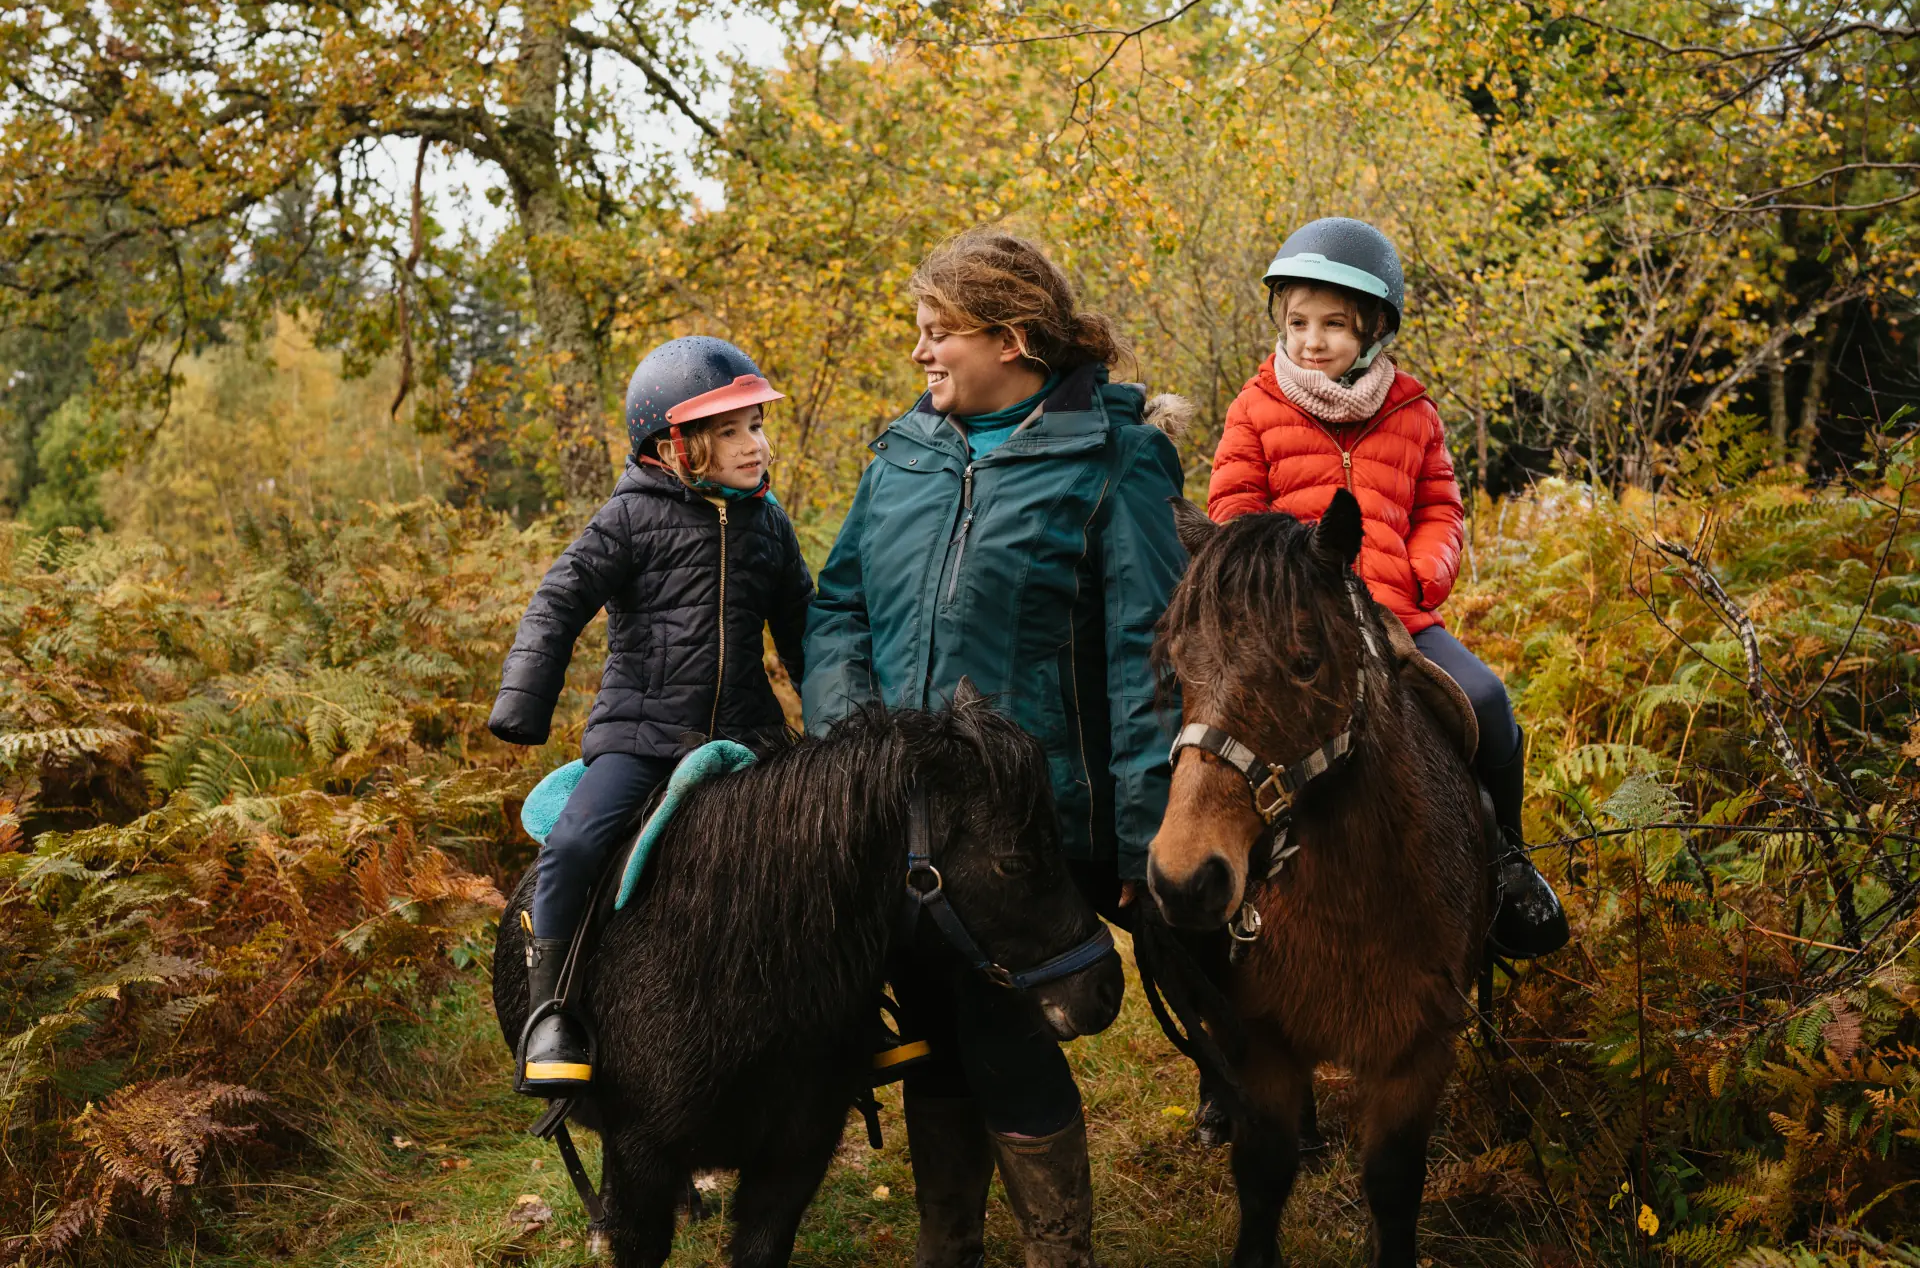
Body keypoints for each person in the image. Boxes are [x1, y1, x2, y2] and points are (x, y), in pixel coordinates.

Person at [803, 229, 1187, 1268]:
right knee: (930, 1026)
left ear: (1011, 338)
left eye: (940, 335)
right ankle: (949, 1246)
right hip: (894, 810)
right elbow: (838, 608)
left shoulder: (1114, 459)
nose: (922, 355)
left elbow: (1144, 657)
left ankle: (1057, 1251)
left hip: (1028, 822)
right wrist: (853, 744)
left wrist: (1143, 838)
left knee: (1004, 1028)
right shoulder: (902, 454)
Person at [1207, 216, 1568, 963]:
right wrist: (1281, 588)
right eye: (1299, 321)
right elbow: (1232, 513)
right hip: (1293, 625)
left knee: (1490, 703)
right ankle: (1207, 880)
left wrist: (1423, 571)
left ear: (1372, 329)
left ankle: (1506, 861)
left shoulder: (1411, 409)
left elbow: (1440, 506)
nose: (1312, 340)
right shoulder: (1256, 407)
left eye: (1334, 325)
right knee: (1213, 726)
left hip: (1396, 613)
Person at [488, 336, 814, 1096]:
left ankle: (856, 1008)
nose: (754, 445)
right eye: (730, 430)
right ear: (677, 446)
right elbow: (558, 601)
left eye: (756, 426)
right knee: (571, 849)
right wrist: (523, 703)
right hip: (641, 734)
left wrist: (835, 721)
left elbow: (806, 631)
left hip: (748, 733)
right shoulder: (630, 517)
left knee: (827, 840)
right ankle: (554, 1009)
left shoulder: (769, 526)